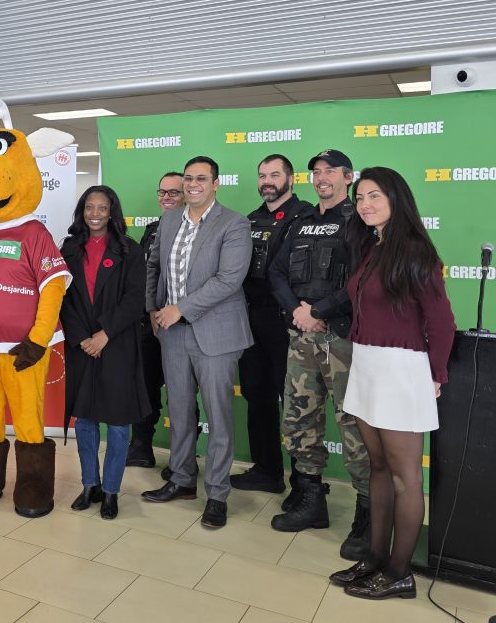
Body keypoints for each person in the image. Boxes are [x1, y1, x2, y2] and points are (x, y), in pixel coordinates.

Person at [330, 167, 455, 600]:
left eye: (375, 196)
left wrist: (436, 373)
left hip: (401, 371)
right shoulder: (374, 245)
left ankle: (400, 571)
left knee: (405, 478)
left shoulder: (415, 250)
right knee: (377, 468)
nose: (365, 204)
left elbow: (442, 321)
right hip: (367, 365)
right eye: (361, 197)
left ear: (396, 198)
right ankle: (375, 558)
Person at [268, 149, 371, 560]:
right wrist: (298, 311)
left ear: (349, 177)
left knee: (354, 429)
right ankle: (312, 501)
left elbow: (363, 279)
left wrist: (321, 312)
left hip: (344, 339)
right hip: (302, 336)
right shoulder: (301, 221)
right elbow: (275, 272)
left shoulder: (359, 221)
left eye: (331, 171)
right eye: (317, 172)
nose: (322, 177)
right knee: (299, 419)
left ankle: (367, 516)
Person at [141, 155, 253, 529]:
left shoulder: (234, 224)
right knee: (181, 411)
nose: (193, 184)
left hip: (215, 332)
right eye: (188, 178)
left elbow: (228, 280)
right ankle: (182, 479)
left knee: (218, 416)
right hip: (171, 332)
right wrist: (154, 310)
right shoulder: (170, 220)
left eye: (201, 179)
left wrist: (179, 309)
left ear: (215, 184)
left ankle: (217, 494)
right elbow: (154, 267)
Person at [60, 186, 149, 520]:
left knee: (116, 424)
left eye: (102, 207)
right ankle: (90, 485)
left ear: (113, 212)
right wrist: (83, 337)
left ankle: (111, 491)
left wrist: (104, 334)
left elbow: (134, 299)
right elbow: (63, 297)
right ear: (82, 211)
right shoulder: (69, 248)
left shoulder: (130, 250)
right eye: (89, 207)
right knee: (85, 420)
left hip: (117, 344)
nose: (94, 213)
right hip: (82, 345)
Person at [231, 154, 314, 494]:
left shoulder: (306, 216)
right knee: (256, 395)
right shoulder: (249, 220)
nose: (267, 180)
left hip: (288, 322)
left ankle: (304, 482)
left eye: (275, 174)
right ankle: (266, 470)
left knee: (294, 402)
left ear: (291, 179)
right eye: (262, 174)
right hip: (251, 319)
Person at [126, 171, 184, 470]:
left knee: (183, 394)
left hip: (184, 324)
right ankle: (141, 446)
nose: (166, 198)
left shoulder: (196, 230)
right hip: (149, 323)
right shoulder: (151, 230)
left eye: (173, 192)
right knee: (145, 386)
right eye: (162, 192)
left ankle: (182, 460)